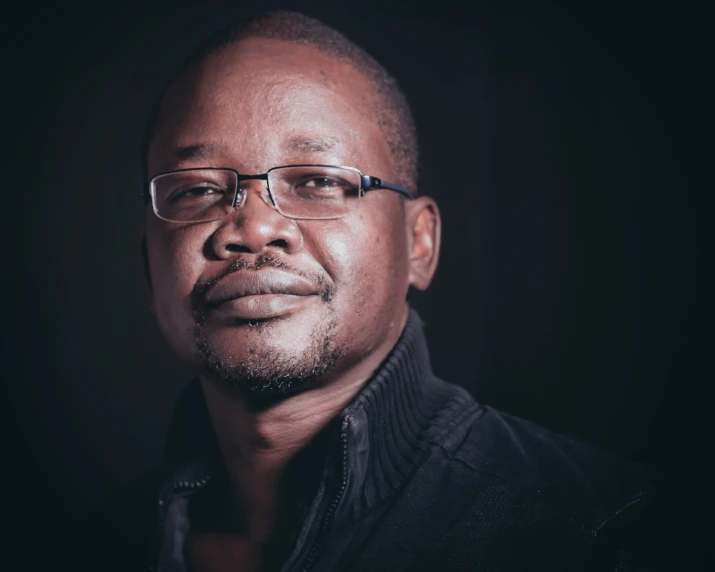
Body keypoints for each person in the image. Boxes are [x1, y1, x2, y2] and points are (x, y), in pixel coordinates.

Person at [87, 10, 697, 572]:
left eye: (319, 180)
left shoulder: (609, 537)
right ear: (148, 265)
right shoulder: (90, 542)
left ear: (420, 243)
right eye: (195, 191)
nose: (252, 228)